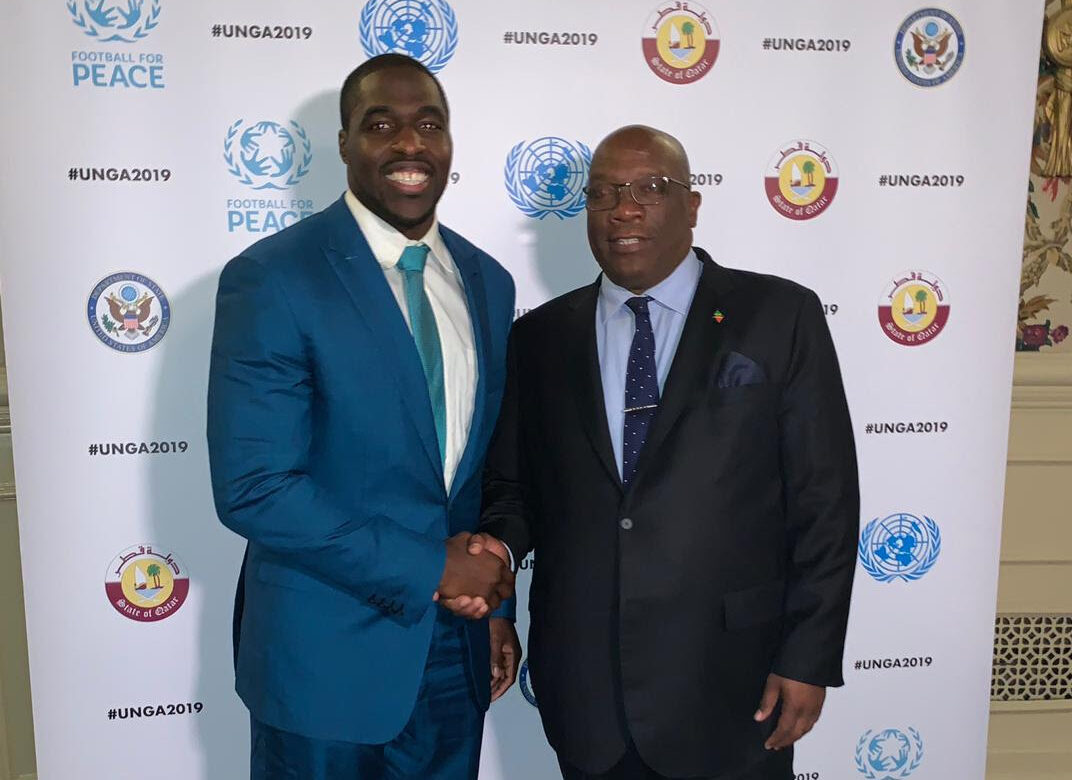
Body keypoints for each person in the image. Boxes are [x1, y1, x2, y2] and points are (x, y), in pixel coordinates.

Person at [470, 125, 859, 780]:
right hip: (587, 694)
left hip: (734, 686)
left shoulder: (779, 316)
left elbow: (825, 501)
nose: (623, 209)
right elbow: (512, 489)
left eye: (649, 188)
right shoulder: (539, 338)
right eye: (603, 193)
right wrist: (496, 579)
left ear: (692, 205)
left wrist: (808, 656)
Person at [207, 53, 519, 779]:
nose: (410, 144)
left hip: (455, 655)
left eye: (430, 125)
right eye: (381, 125)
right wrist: (431, 567)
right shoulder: (274, 277)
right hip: (325, 665)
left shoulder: (488, 281)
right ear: (345, 143)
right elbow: (255, 486)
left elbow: (481, 469)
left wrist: (495, 600)